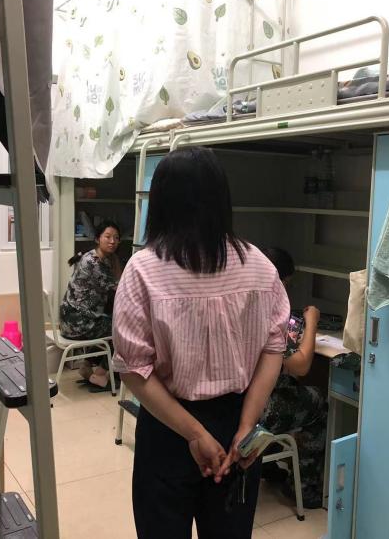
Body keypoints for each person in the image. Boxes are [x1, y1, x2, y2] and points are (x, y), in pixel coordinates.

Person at [112, 147, 290, 539]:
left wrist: (195, 434)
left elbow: (134, 369)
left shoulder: (143, 270)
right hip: (237, 426)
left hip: (168, 425)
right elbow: (274, 347)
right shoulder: (260, 265)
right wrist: (247, 425)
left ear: (161, 202)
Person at [260, 247, 328, 509]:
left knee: (288, 386)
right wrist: (311, 323)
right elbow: (301, 365)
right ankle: (304, 487)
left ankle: (266, 465)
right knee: (317, 402)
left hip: (235, 402)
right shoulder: (270, 314)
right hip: (259, 410)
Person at [59, 219, 122, 390]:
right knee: (120, 330)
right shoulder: (94, 263)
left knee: (106, 321)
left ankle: (86, 367)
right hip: (78, 323)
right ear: (97, 239)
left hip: (71, 320)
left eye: (116, 238)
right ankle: (101, 375)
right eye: (107, 236)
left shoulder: (94, 257)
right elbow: (120, 288)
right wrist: (117, 262)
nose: (112, 241)